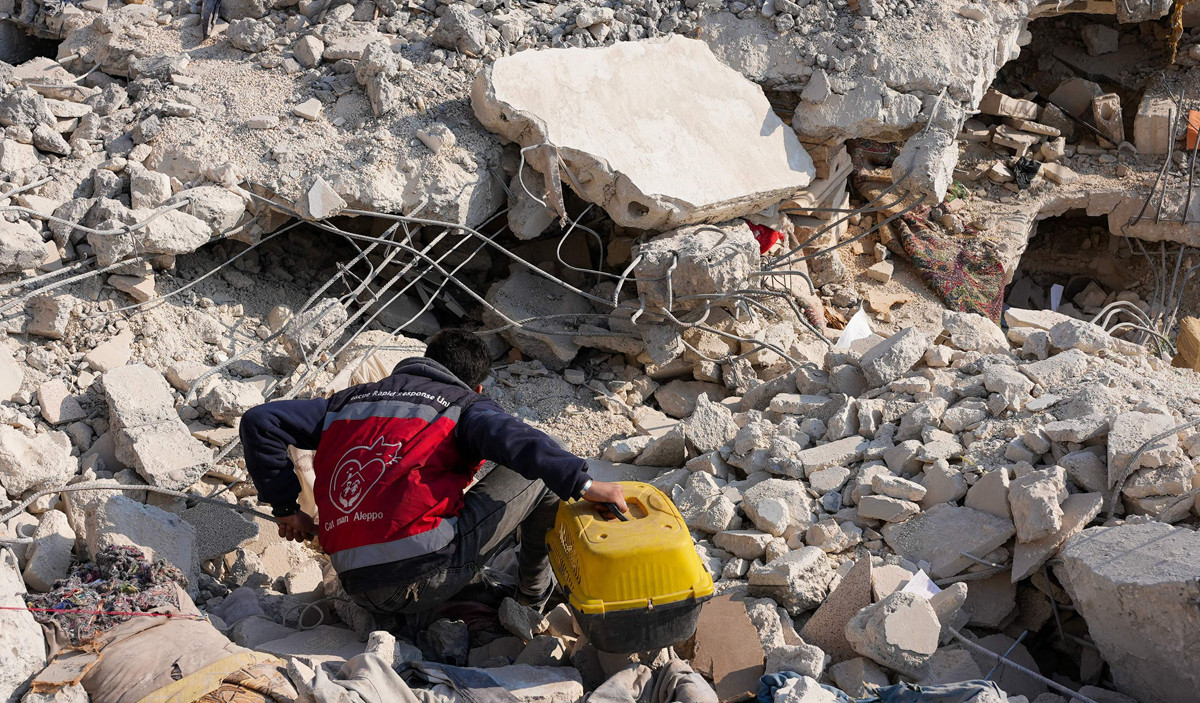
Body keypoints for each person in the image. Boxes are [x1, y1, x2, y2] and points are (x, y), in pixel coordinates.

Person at [239, 329, 626, 615]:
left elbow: (260, 421)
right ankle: (532, 600)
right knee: (540, 472)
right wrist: (585, 483)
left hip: (355, 581)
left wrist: (285, 506)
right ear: (475, 384)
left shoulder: (351, 400)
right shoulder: (462, 405)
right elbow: (521, 441)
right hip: (414, 582)